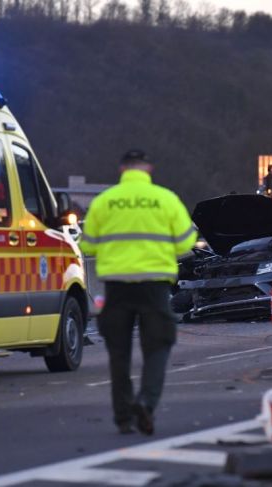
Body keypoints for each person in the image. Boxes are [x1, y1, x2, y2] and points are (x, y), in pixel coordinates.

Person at [80, 150, 197, 435]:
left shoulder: (104, 202)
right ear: (148, 168)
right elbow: (185, 243)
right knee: (158, 345)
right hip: (155, 285)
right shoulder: (165, 199)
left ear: (122, 169)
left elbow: (87, 246)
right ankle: (146, 402)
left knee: (118, 352)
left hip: (116, 286)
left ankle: (123, 418)